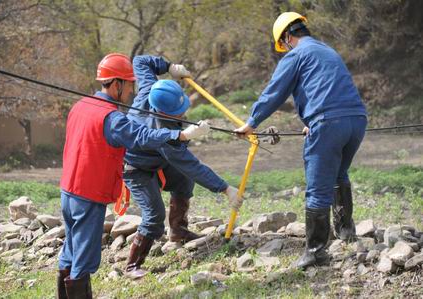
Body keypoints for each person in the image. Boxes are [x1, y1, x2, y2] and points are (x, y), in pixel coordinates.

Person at [57, 53, 211, 298]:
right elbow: (142, 136)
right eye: (129, 85)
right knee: (83, 261)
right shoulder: (112, 118)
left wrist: (168, 66)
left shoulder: (81, 105)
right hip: (89, 194)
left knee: (70, 250)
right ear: (116, 84)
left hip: (68, 191)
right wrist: (180, 136)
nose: (132, 90)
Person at [235, 12, 368, 269]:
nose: (284, 48)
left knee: (318, 188)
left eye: (283, 43)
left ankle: (316, 253)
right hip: (357, 120)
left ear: (286, 36)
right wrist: (313, 123)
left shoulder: (296, 55)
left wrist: (251, 123)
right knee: (339, 173)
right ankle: (345, 232)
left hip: (329, 122)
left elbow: (275, 92)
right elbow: (328, 88)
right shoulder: (328, 50)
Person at [122, 55, 243, 279]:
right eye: (178, 113)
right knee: (153, 215)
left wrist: (168, 66)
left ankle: (178, 231)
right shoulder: (165, 139)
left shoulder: (151, 88)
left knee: (182, 180)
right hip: (136, 168)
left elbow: (140, 61)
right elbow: (193, 166)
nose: (183, 114)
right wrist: (225, 188)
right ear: (162, 112)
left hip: (158, 160)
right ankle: (132, 266)